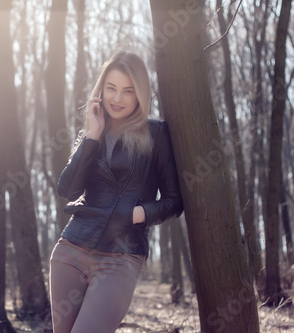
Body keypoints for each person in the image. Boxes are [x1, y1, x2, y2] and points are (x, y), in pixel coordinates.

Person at [49, 50, 184, 333]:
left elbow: (174, 201)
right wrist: (92, 134)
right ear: (101, 90)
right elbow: (67, 188)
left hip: (120, 258)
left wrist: (137, 214)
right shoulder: (93, 132)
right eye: (110, 88)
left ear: (140, 94)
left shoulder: (155, 133)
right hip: (70, 251)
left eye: (127, 90)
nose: (117, 98)